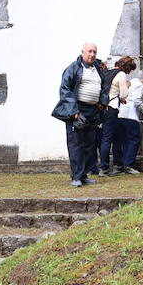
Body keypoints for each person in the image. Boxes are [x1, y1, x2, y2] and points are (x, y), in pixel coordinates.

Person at [52, 42, 109, 187]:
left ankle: (84, 176)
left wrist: (102, 103)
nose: (92, 54)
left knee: (89, 145)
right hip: (77, 110)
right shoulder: (74, 67)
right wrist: (74, 112)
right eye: (89, 51)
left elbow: (104, 86)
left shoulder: (98, 68)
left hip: (93, 111)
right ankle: (76, 177)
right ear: (82, 52)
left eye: (94, 52)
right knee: (76, 144)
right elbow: (65, 89)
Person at [109, 56, 143, 174]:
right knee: (134, 139)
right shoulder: (137, 84)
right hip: (131, 114)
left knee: (118, 140)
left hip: (118, 113)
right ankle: (128, 164)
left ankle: (117, 164)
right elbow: (135, 100)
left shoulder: (113, 75)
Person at [98, 57, 124, 175]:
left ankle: (118, 164)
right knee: (107, 138)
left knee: (117, 136)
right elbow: (124, 94)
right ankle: (104, 168)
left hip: (104, 108)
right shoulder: (121, 74)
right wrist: (123, 97)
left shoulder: (107, 72)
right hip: (112, 108)